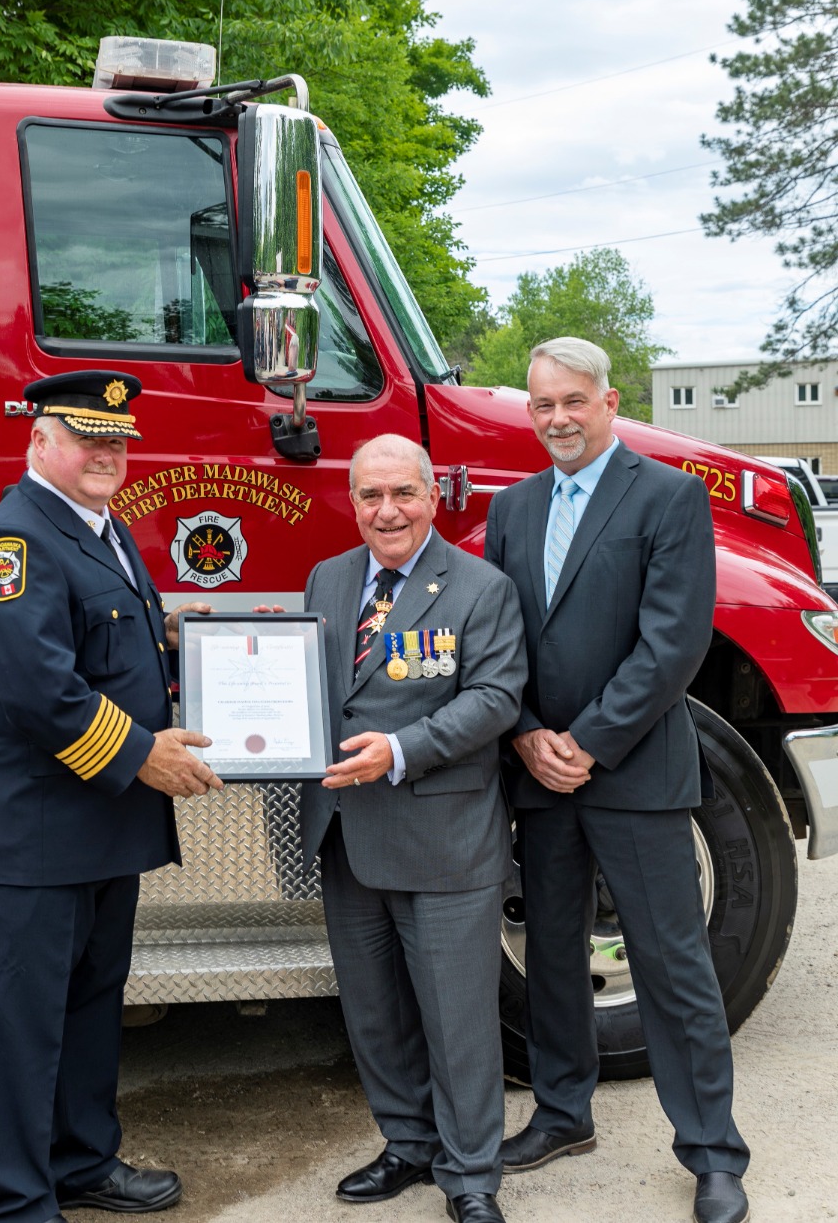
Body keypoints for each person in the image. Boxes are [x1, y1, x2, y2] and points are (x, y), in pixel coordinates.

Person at [0, 370, 222, 1223]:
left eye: (117, 440)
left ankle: (81, 1162)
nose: (107, 453)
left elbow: (119, 642)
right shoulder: (15, 542)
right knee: (20, 1027)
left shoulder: (102, 529)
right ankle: (19, 1204)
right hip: (31, 834)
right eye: (86, 438)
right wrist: (144, 755)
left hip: (97, 824)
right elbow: (42, 692)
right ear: (39, 442)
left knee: (92, 1007)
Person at [483, 338, 750, 1223]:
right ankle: (563, 1113)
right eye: (542, 404)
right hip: (540, 775)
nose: (556, 418)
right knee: (554, 955)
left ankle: (712, 1150)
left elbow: (674, 643)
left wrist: (586, 742)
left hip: (632, 771)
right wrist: (524, 733)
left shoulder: (669, 496)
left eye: (572, 401)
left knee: (673, 964)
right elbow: (501, 642)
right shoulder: (512, 509)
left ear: (608, 401)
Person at [300, 434, 527, 1223]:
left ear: (433, 495)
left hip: (442, 835)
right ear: (352, 501)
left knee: (458, 1018)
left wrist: (401, 749)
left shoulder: (480, 586)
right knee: (374, 1011)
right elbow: (313, 689)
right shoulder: (327, 579)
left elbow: (496, 698)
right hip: (345, 834)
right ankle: (407, 1144)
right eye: (370, 496)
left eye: (403, 493)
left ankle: (470, 1176)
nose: (386, 511)